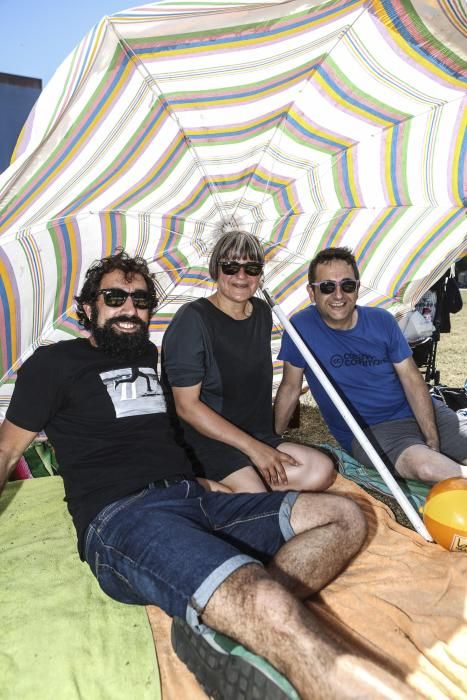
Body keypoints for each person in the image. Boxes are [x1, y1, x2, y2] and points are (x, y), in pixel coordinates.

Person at [0, 250, 414, 700]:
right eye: (114, 297)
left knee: (344, 516)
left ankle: (221, 628)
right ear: (87, 307)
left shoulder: (146, 353)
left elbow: (161, 432)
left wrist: (203, 479)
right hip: (122, 518)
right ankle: (251, 611)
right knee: (262, 599)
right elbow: (6, 450)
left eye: (140, 300)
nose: (129, 309)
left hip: (193, 499)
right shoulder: (52, 364)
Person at [162, 230, 336, 493]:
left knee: (320, 471)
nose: (241, 276)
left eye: (251, 268)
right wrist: (255, 450)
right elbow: (187, 407)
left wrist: (265, 444)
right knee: (256, 501)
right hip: (206, 440)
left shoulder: (263, 313)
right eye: (231, 266)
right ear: (215, 269)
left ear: (260, 274)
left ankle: (234, 488)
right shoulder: (192, 319)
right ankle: (190, 484)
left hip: (256, 435)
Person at [275, 246, 467, 483]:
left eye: (347, 285)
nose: (338, 295)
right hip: (372, 431)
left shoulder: (382, 320)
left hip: (425, 412)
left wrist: (432, 436)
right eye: (327, 287)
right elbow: (290, 388)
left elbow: (412, 380)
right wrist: (272, 439)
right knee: (428, 468)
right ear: (312, 293)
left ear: (357, 288)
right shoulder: (300, 328)